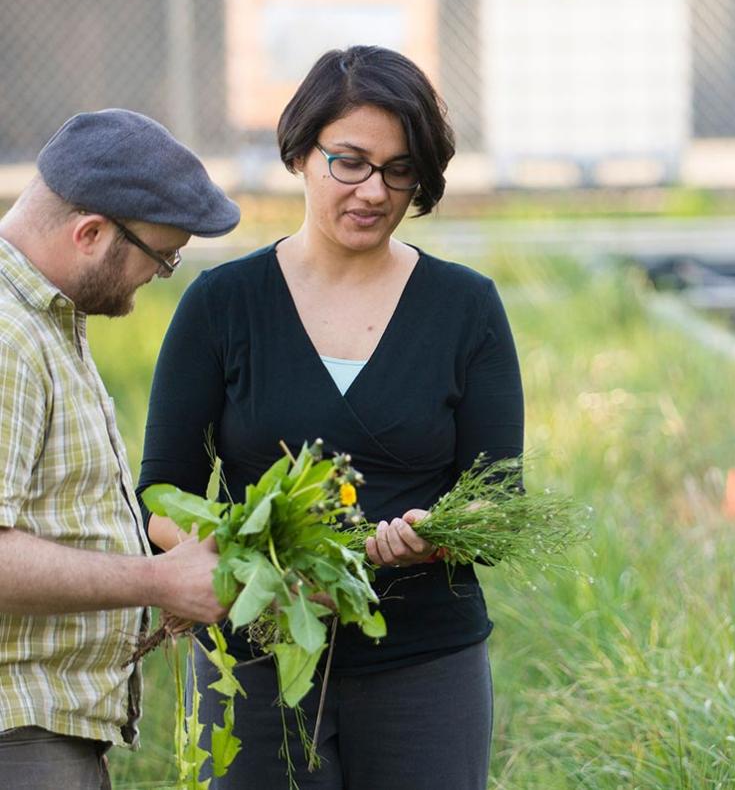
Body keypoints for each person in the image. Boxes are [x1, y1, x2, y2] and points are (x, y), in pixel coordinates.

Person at [140, 46, 524, 789]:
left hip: (423, 664)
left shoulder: (465, 308)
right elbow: (161, 494)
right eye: (349, 161)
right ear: (299, 153)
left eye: (400, 169)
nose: (374, 190)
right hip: (256, 658)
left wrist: (432, 537)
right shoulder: (222, 306)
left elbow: (499, 498)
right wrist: (259, 571)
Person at [0, 108, 239, 788]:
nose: (160, 274)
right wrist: (159, 580)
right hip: (17, 736)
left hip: (46, 729)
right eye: (160, 256)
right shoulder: (8, 338)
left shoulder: (45, 324)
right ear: (90, 233)